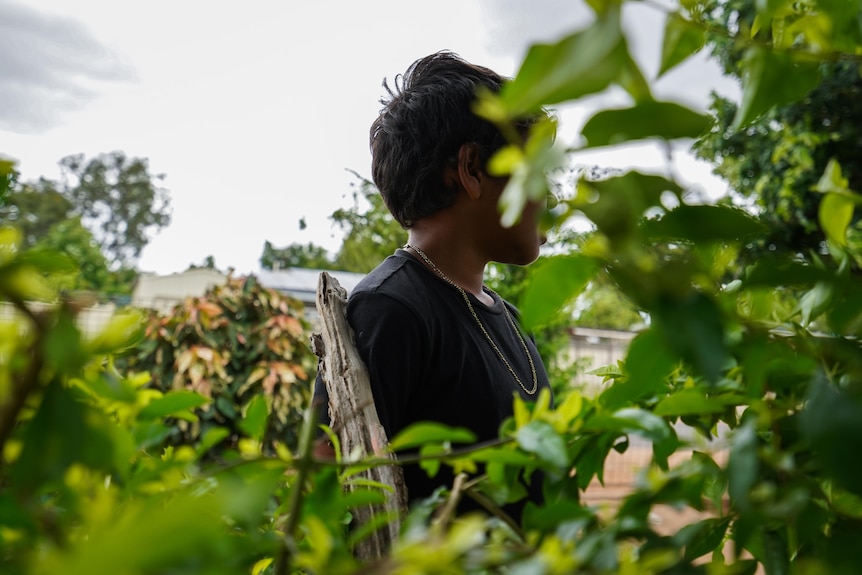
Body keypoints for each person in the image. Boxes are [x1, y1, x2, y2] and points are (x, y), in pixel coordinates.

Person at [313, 50, 553, 520]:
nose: (552, 195)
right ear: (470, 169)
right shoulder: (390, 310)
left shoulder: (509, 318)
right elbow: (329, 495)